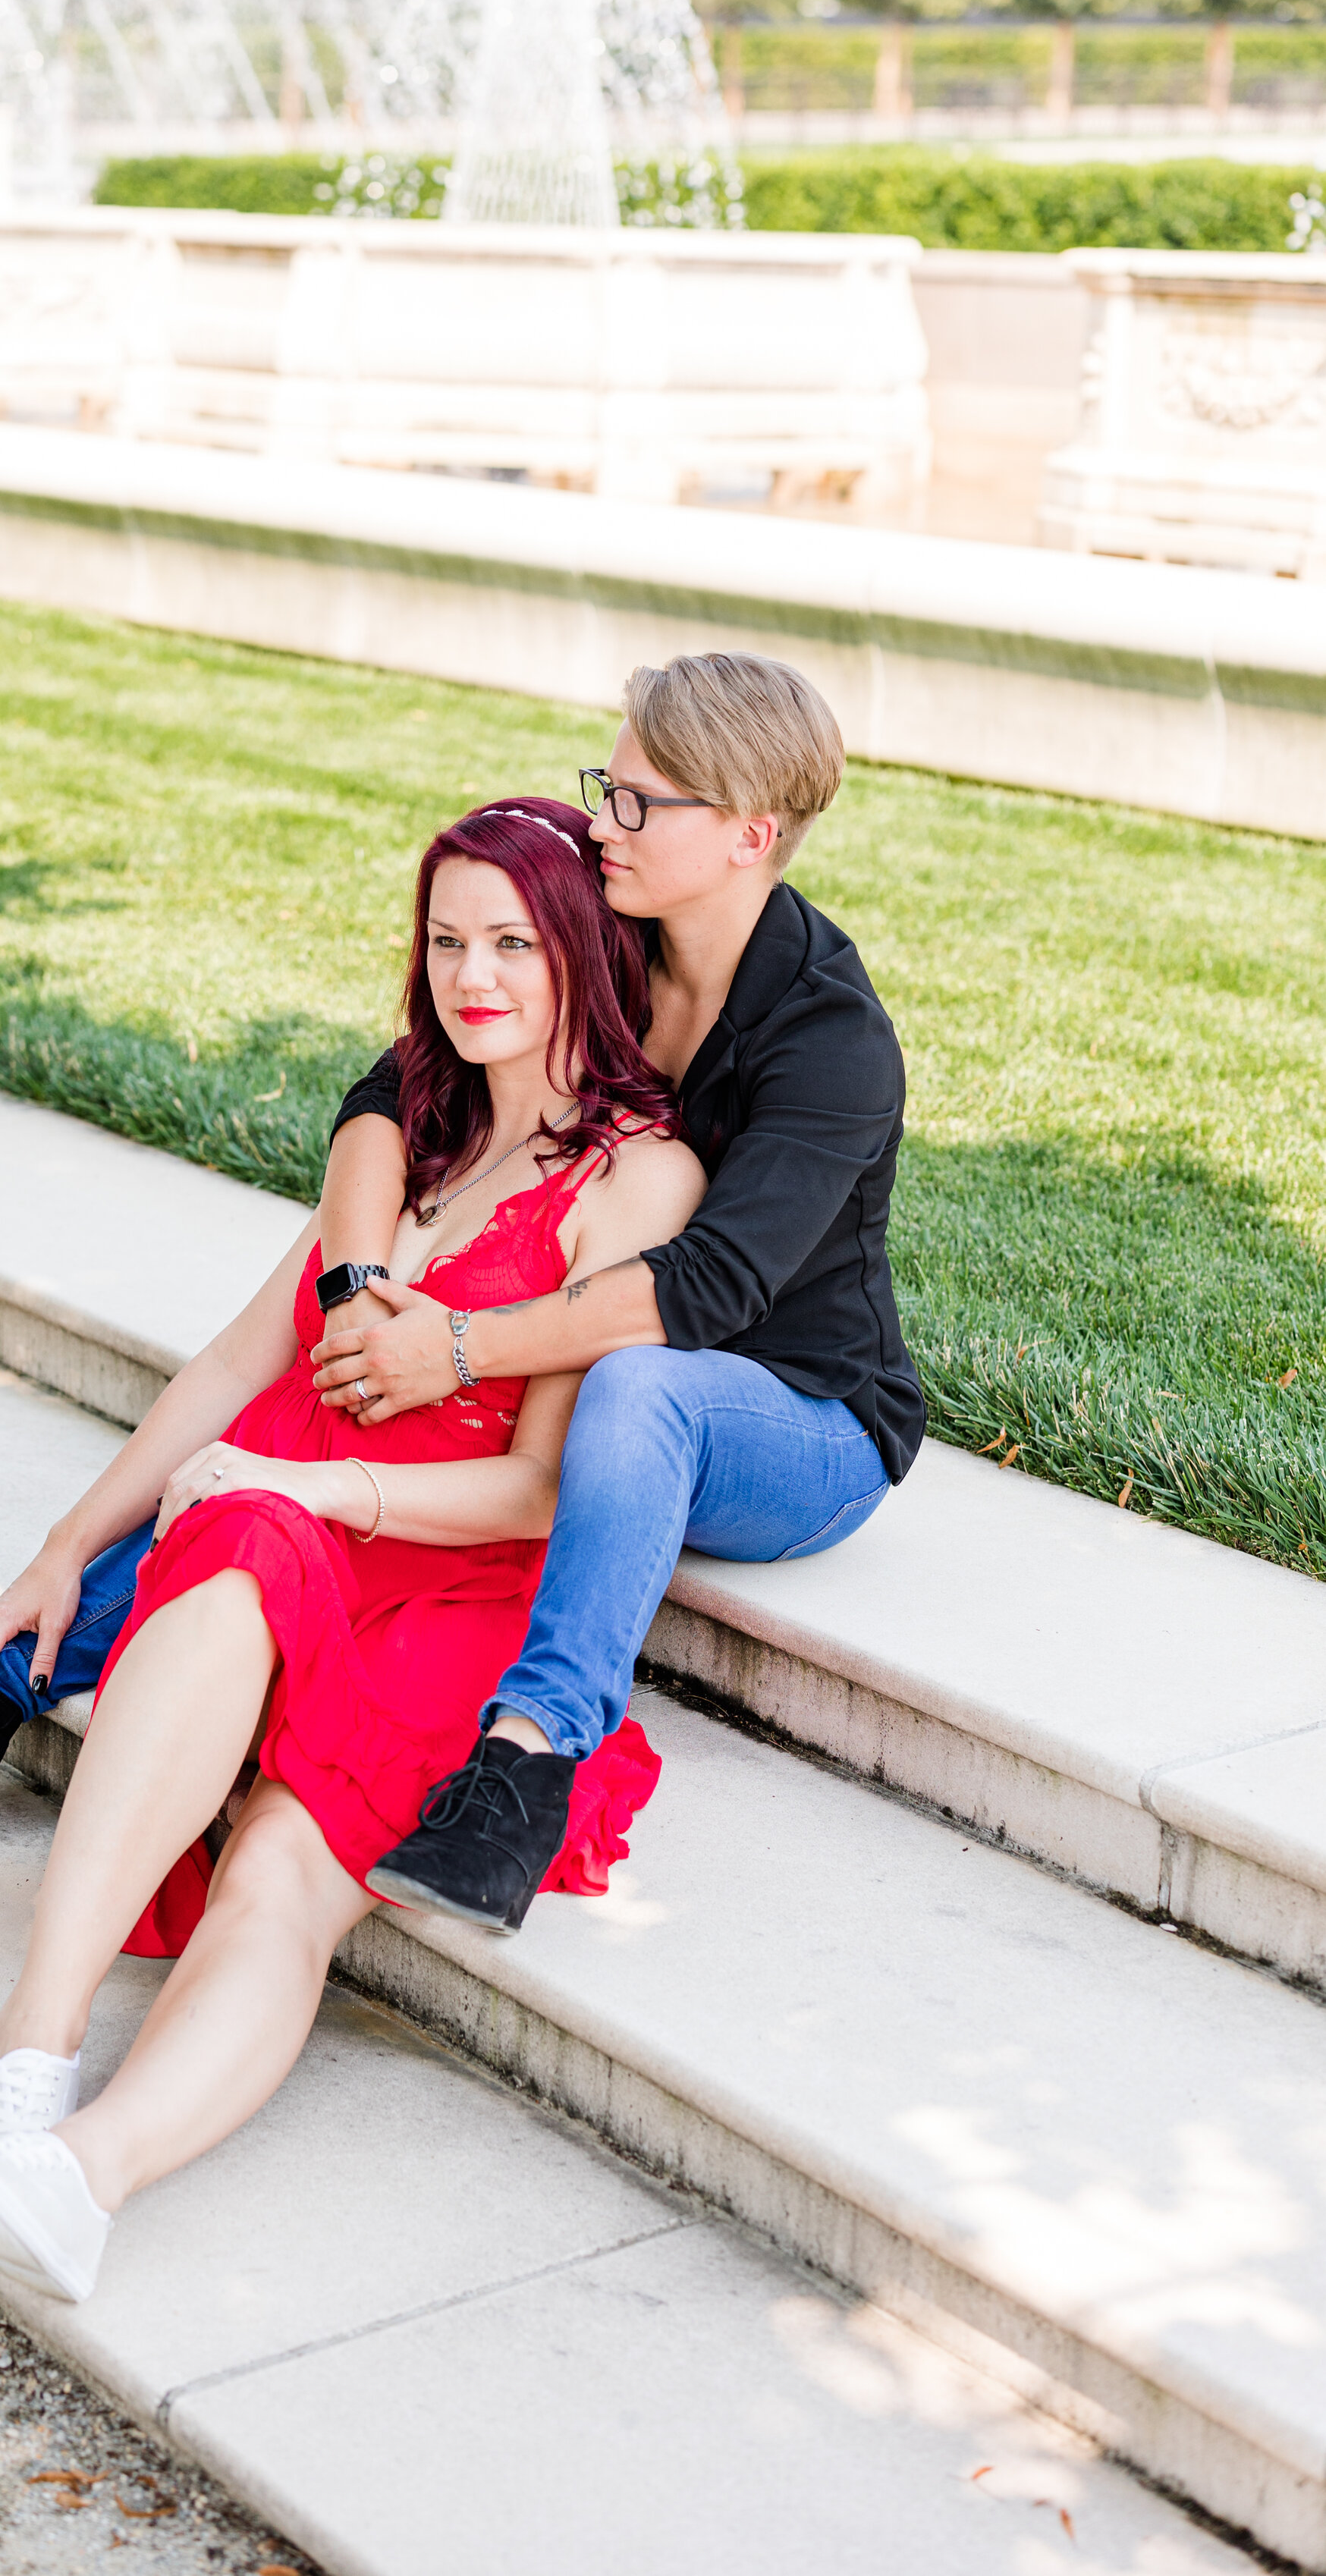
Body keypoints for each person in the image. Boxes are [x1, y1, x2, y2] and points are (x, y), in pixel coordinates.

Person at [0, 799, 705, 2304]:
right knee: (241, 1527)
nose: (473, 974)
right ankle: (25, 2065)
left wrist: (318, 1492)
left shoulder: (634, 1179)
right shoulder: (415, 1142)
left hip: (455, 1586)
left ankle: (79, 2181)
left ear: (582, 949)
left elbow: (543, 1492)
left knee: (283, 1868)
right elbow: (224, 1366)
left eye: (513, 941)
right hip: (289, 1545)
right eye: (446, 938)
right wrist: (67, 1546)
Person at [309, 650, 924, 1940]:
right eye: (611, 786)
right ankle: (29, 1660)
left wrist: (461, 1346)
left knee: (646, 1386)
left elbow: (703, 1290)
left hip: (800, 1421)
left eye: (643, 803)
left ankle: (526, 1768)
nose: (602, 822)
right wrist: (364, 1286)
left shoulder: (832, 1038)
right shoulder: (618, 932)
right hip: (580, 1383)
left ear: (753, 835)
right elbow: (398, 1084)